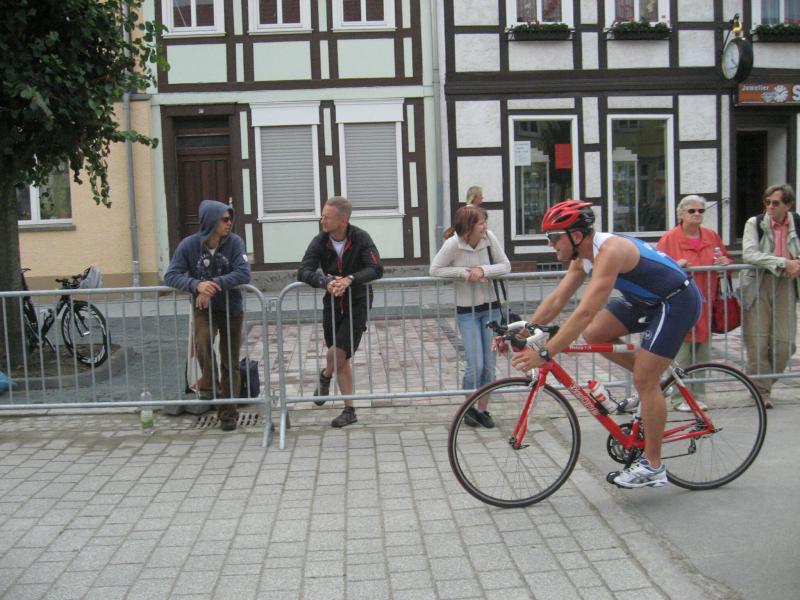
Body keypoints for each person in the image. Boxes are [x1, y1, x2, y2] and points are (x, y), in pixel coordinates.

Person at [500, 199, 702, 489]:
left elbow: (584, 311)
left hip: (675, 302)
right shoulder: (582, 257)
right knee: (595, 334)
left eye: (553, 237)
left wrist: (546, 352)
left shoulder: (610, 251)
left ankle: (653, 465)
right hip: (645, 301)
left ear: (576, 235)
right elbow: (557, 299)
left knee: (643, 379)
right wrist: (526, 330)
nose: (549, 244)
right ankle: (654, 384)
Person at [164, 200, 251, 431]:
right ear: (210, 221)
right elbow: (171, 275)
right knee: (202, 342)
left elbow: (244, 273)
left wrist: (211, 285)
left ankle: (228, 414)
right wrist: (196, 285)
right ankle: (210, 385)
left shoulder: (235, 242)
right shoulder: (189, 245)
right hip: (203, 308)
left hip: (231, 307)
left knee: (230, 361)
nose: (229, 223)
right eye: (224, 219)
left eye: (230, 218)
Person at [297, 196, 384, 428]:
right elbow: (303, 271)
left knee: (338, 351)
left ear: (343, 221)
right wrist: (325, 282)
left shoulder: (361, 238)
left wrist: (350, 279)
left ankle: (325, 376)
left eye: (327, 217)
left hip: (358, 302)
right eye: (322, 216)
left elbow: (376, 268)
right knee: (340, 357)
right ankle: (349, 410)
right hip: (332, 303)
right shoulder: (320, 240)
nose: (322, 220)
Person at [430, 205, 511, 428]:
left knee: (489, 365)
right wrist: (465, 273)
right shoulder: (453, 244)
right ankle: (469, 408)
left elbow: (505, 265)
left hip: (492, 309)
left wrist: (483, 270)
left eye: (485, 222)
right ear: (469, 227)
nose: (485, 227)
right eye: (481, 223)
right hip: (467, 312)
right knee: (475, 364)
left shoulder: (489, 238)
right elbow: (435, 269)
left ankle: (483, 410)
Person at [657, 195, 734, 411]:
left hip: (706, 304)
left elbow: (727, 260)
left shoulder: (711, 235)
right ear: (681, 214)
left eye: (701, 210)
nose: (697, 214)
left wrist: (725, 262)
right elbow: (658, 270)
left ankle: (699, 397)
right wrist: (675, 266)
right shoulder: (669, 239)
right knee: (681, 354)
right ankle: (679, 399)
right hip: (680, 304)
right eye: (692, 211)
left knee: (702, 354)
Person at [741, 184, 800, 409]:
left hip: (787, 283)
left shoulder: (797, 222)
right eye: (767, 202)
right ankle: (761, 392)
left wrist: (796, 264)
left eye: (776, 203)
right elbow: (749, 254)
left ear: (788, 205)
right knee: (757, 341)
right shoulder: (754, 223)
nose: (770, 207)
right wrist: (782, 262)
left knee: (784, 344)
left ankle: (762, 382)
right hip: (759, 282)